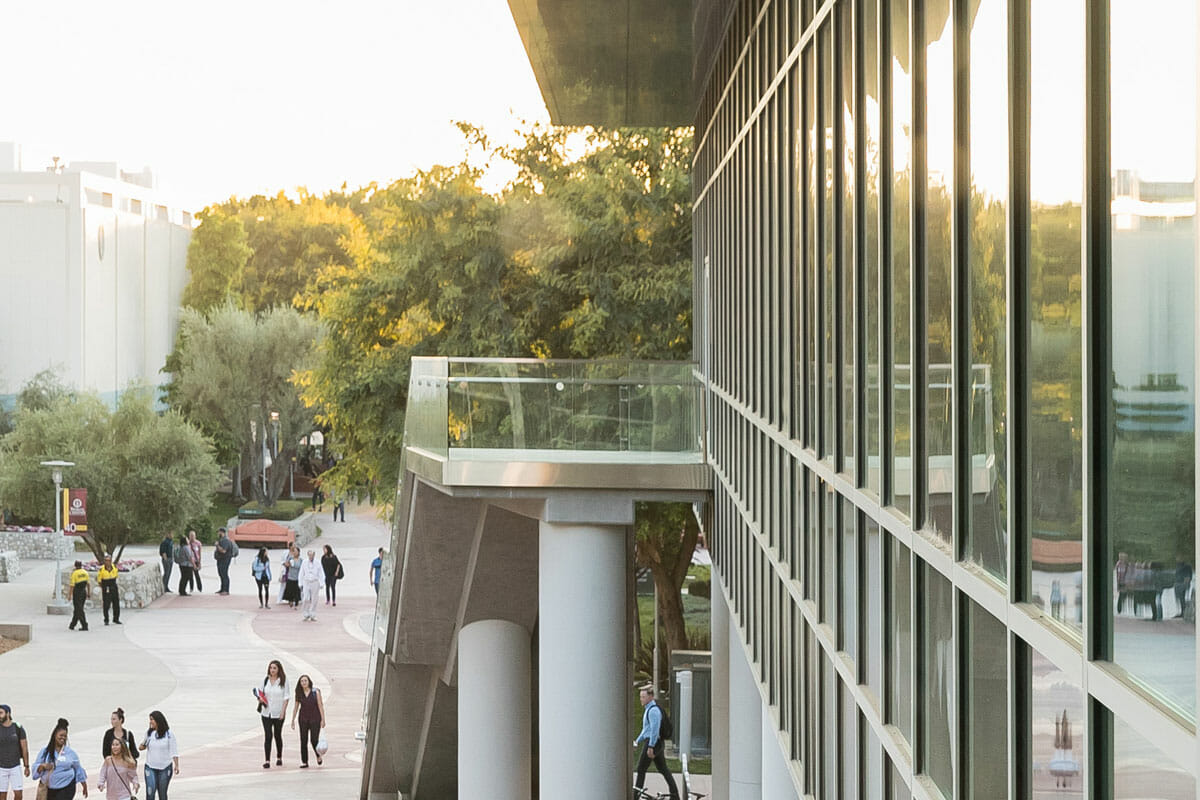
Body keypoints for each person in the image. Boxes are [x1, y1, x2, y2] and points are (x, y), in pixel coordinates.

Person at [633, 686, 679, 800]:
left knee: (641, 769)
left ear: (650, 697)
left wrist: (651, 746)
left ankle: (635, 795)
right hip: (655, 743)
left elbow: (654, 730)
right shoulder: (648, 709)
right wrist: (637, 741)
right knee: (663, 769)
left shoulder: (653, 711)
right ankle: (675, 795)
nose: (641, 699)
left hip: (653, 743)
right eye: (640, 697)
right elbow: (646, 730)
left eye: (643, 697)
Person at [33, 718, 87, 800]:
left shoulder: (70, 753)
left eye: (65, 736)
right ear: (55, 735)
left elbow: (78, 768)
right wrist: (42, 766)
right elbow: (35, 769)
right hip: (49, 788)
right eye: (61, 735)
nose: (63, 738)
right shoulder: (45, 752)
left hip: (67, 787)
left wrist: (84, 785)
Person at [138, 711, 178, 800]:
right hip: (150, 766)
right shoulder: (149, 733)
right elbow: (143, 745)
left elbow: (174, 750)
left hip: (164, 767)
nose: (150, 722)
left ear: (158, 720)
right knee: (150, 792)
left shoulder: (169, 734)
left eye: (152, 719)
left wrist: (176, 765)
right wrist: (142, 746)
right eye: (150, 720)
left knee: (162, 793)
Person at [289, 675, 326, 768]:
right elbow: (296, 707)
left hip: (315, 718)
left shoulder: (315, 692)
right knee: (303, 740)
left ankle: (318, 756)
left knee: (314, 740)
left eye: (305, 680)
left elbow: (320, 705)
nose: (304, 682)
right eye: (302, 681)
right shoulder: (299, 693)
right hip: (303, 719)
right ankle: (304, 761)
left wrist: (323, 719)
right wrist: (292, 719)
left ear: (309, 681)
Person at [258, 660, 288, 768]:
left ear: (278, 669)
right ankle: (267, 760)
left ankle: (279, 757)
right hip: (266, 713)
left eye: (274, 668)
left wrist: (283, 712)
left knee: (277, 735)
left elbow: (286, 697)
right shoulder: (265, 680)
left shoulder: (283, 681)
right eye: (271, 668)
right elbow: (260, 692)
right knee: (268, 736)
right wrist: (260, 699)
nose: (272, 670)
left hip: (278, 712)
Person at [0, 703, 30, 800]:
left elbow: (24, 747)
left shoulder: (17, 728)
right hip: (1, 767)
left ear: (8, 714)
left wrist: (26, 766)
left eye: (1, 713)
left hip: (15, 766)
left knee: (18, 794)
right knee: (2, 795)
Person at [298, 550, 325, 621]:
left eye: (312, 555)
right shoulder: (304, 562)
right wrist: (300, 583)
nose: (311, 557)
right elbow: (301, 573)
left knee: (314, 599)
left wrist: (322, 583)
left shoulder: (318, 562)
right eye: (309, 555)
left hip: (315, 582)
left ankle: (312, 614)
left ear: (314, 555)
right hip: (306, 582)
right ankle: (306, 613)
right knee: (306, 598)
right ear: (308, 555)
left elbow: (321, 573)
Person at [97, 555, 121, 626]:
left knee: (116, 603)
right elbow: (99, 580)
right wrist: (103, 587)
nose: (108, 562)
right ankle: (106, 619)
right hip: (106, 586)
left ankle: (116, 619)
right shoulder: (102, 569)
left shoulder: (114, 567)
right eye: (106, 560)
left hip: (113, 585)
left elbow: (116, 576)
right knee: (106, 604)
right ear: (104, 561)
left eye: (109, 560)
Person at [68, 561, 90, 632]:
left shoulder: (74, 573)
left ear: (75, 566)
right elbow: (88, 584)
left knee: (79, 609)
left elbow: (72, 586)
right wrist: (88, 593)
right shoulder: (85, 572)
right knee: (78, 609)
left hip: (77, 592)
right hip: (83, 591)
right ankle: (72, 625)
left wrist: (70, 595)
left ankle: (84, 625)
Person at [213, 528, 234, 595]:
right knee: (221, 574)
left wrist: (217, 545)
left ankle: (226, 590)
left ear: (222, 532)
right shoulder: (221, 540)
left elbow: (223, 551)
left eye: (218, 532)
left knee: (224, 574)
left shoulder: (225, 541)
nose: (218, 534)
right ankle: (222, 589)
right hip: (221, 559)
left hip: (224, 560)